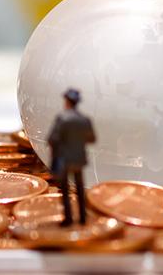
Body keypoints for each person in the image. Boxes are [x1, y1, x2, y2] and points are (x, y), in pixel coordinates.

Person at [47, 88, 96, 226]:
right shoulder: (85, 120)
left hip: (65, 160)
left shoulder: (62, 118)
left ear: (67, 102)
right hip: (79, 160)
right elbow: (92, 139)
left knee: (66, 191)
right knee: (80, 188)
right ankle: (82, 217)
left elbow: (52, 139)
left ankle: (68, 219)